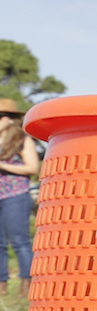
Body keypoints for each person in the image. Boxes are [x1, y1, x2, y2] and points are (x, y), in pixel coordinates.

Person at [0, 97, 38, 292]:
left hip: (15, 195)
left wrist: (3, 165)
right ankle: (2, 285)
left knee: (19, 240)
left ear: (10, 119)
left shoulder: (22, 140)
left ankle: (27, 282)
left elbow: (32, 167)